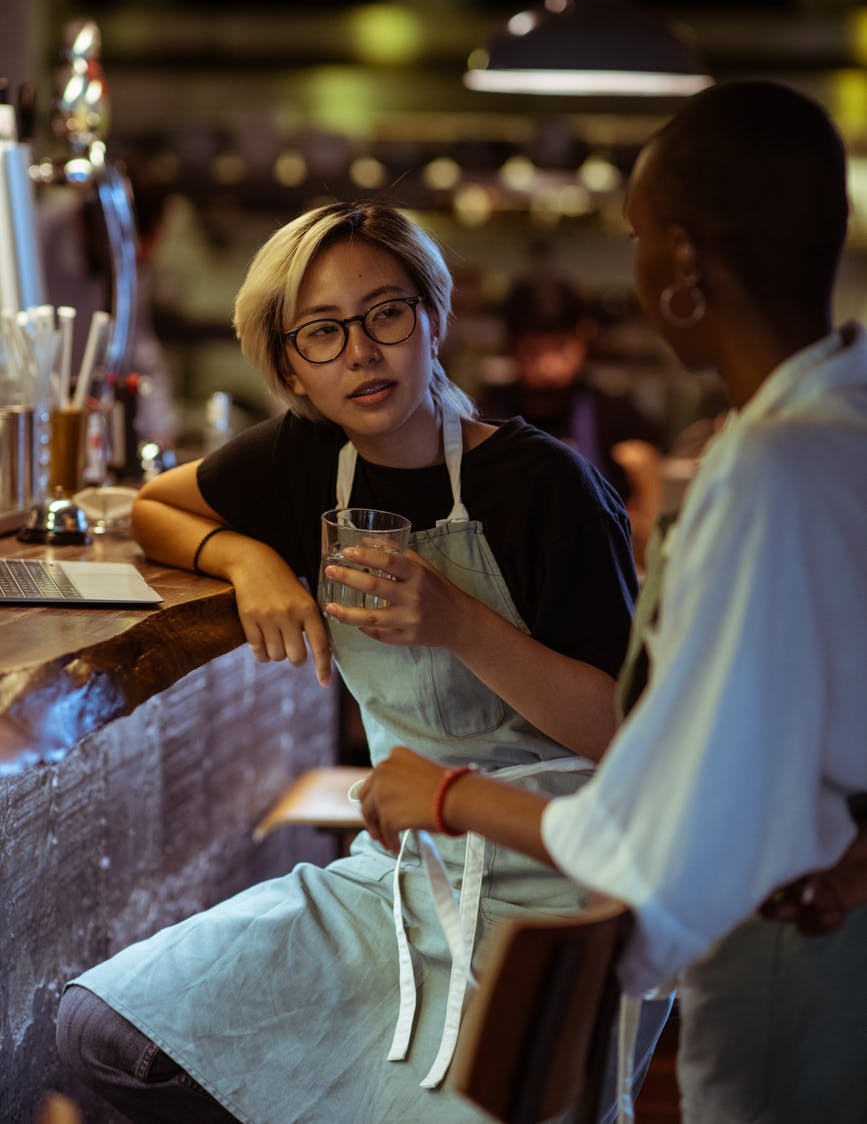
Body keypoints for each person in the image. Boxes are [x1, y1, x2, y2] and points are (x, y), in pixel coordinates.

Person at [55, 201, 670, 1123]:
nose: (361, 352)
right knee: (103, 1034)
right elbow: (154, 507)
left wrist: (457, 621)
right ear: (290, 365)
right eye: (322, 332)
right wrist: (249, 559)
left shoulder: (547, 486)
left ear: (432, 319)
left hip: (557, 893)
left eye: (386, 314)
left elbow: (627, 742)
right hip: (404, 878)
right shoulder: (306, 461)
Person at [359, 82, 867, 1124]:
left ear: (682, 264)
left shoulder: (767, 466)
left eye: (637, 239)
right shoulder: (843, 417)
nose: (634, 270)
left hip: (793, 947)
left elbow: (666, 821)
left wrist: (450, 797)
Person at [478, 276, 663, 565]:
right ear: (511, 346)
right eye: (534, 351)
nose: (549, 366)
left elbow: (651, 509)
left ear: (584, 337)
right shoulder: (484, 416)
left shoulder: (616, 415)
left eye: (561, 348)